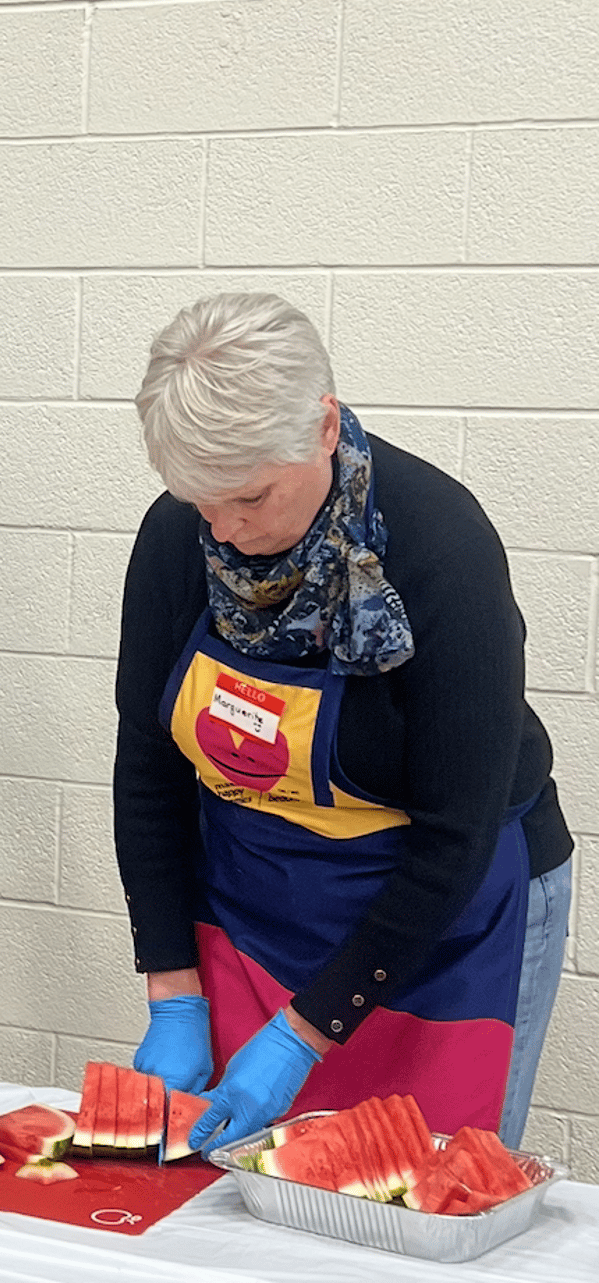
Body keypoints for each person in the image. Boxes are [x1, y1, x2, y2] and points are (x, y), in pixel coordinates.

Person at [114, 292, 572, 1151]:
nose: (226, 530)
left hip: (442, 920)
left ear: (323, 427)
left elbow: (455, 836)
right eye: (199, 501)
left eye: (250, 497)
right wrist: (171, 984)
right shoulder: (182, 536)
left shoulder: (443, 548)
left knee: (420, 1198)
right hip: (257, 902)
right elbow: (148, 768)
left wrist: (302, 1035)